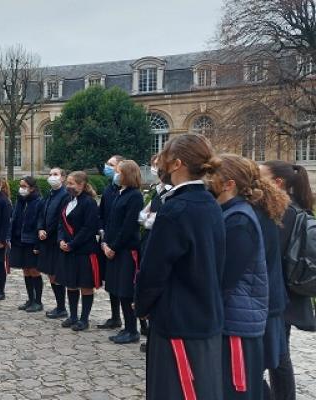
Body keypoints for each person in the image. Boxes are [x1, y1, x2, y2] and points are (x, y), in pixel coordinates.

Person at [135, 134, 225, 400]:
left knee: (178, 391)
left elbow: (154, 271)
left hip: (178, 319)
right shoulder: (210, 202)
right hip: (205, 313)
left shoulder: (176, 210)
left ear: (176, 164)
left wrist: (142, 306)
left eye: (163, 156)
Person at [209, 154, 282, 400]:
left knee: (237, 390)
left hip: (237, 323)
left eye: (212, 175)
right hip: (234, 320)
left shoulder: (239, 220)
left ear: (229, 184)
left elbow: (224, 280)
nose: (207, 180)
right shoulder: (230, 213)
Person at [260, 160, 316, 399]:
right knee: (278, 354)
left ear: (277, 182)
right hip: (284, 294)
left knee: (277, 354)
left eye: (260, 176)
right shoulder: (290, 208)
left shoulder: (283, 212)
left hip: (279, 295)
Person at [102, 160, 144, 344]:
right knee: (118, 289)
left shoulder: (134, 196)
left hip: (126, 250)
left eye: (118, 171)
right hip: (113, 248)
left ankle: (132, 329)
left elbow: (128, 226)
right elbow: (111, 222)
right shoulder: (120, 193)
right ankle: (126, 327)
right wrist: (105, 243)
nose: (116, 174)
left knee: (127, 290)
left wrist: (114, 246)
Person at [55, 171, 100, 332]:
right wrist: (61, 240)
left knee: (85, 285)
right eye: (68, 183)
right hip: (67, 249)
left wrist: (72, 244)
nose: (68, 186)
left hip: (83, 250)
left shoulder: (89, 203)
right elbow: (60, 223)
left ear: (81, 185)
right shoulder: (68, 201)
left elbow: (89, 228)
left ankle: (84, 319)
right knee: (71, 284)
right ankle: (73, 316)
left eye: (72, 183)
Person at [137, 155, 171, 352]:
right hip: (148, 240)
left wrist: (150, 219)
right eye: (153, 164)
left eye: (157, 165)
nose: (154, 168)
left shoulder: (169, 193)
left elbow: (156, 220)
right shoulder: (155, 190)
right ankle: (150, 333)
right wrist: (149, 218)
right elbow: (142, 216)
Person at [37, 167, 70, 319]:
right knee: (50, 273)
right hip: (45, 239)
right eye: (50, 174)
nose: (52, 177)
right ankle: (59, 305)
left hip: (56, 239)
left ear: (63, 178)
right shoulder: (49, 194)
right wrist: (40, 229)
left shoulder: (65, 195)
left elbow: (61, 219)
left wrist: (48, 232)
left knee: (56, 273)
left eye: (55, 174)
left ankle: (62, 306)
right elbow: (42, 214)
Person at [98, 154, 125, 330]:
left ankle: (139, 322)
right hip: (106, 241)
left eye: (111, 164)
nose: (107, 167)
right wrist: (101, 232)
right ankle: (115, 317)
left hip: (121, 244)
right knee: (111, 283)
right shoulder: (108, 189)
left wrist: (114, 243)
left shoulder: (129, 192)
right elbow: (101, 214)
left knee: (125, 285)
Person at [9, 176, 43, 311]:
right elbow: (15, 219)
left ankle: (38, 301)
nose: (21, 189)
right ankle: (30, 299)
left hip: (31, 240)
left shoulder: (39, 202)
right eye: (20, 186)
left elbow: (39, 222)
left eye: (24, 186)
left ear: (32, 188)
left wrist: (37, 244)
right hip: (19, 240)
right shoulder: (20, 200)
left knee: (34, 270)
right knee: (25, 270)